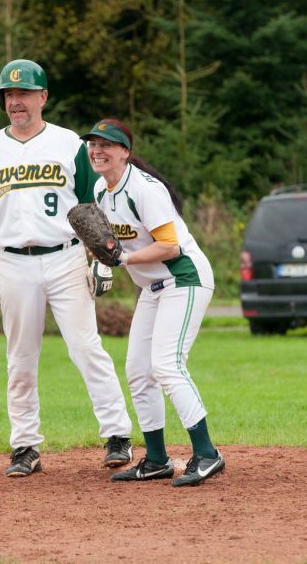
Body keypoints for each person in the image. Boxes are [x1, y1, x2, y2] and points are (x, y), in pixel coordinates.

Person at [0, 59, 133, 478]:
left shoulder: (68, 143)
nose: (16, 101)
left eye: (24, 93)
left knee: (86, 347)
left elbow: (93, 202)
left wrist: (102, 257)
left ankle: (117, 435)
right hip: (13, 263)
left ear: (43, 97)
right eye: (9, 94)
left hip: (65, 257)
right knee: (20, 357)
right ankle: (25, 445)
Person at [79, 117, 225, 487]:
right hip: (153, 288)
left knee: (167, 365)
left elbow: (169, 247)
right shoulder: (100, 190)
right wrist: (101, 260)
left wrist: (122, 260)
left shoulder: (144, 190)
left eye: (106, 145)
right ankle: (157, 459)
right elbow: (110, 244)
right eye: (93, 144)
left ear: (125, 152)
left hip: (184, 278)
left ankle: (207, 453)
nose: (97, 150)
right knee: (138, 370)